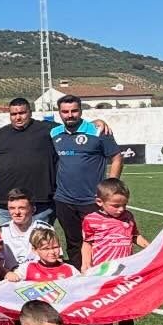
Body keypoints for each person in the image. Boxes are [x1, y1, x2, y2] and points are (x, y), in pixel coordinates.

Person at [81, 178, 151, 325]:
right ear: (100, 202)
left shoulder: (128, 217)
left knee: (127, 314)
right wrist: (86, 265)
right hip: (104, 277)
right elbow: (87, 243)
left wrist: (151, 248)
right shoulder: (91, 220)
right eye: (115, 205)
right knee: (106, 315)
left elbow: (135, 236)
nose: (120, 209)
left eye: (124, 205)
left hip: (125, 275)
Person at [50, 95, 123, 266]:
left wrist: (110, 189)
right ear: (59, 113)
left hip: (92, 200)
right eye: (65, 112)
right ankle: (79, 275)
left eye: (74, 111)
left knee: (98, 241)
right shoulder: (54, 133)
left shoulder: (98, 131)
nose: (70, 115)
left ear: (81, 111)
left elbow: (117, 158)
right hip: (64, 200)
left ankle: (101, 276)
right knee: (73, 242)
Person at [0, 98, 58, 226]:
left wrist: (97, 122)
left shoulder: (47, 129)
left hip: (38, 202)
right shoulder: (2, 133)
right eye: (14, 114)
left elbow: (73, 126)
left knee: (39, 244)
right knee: (9, 245)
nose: (18, 117)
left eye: (22, 113)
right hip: (7, 202)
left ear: (30, 112)